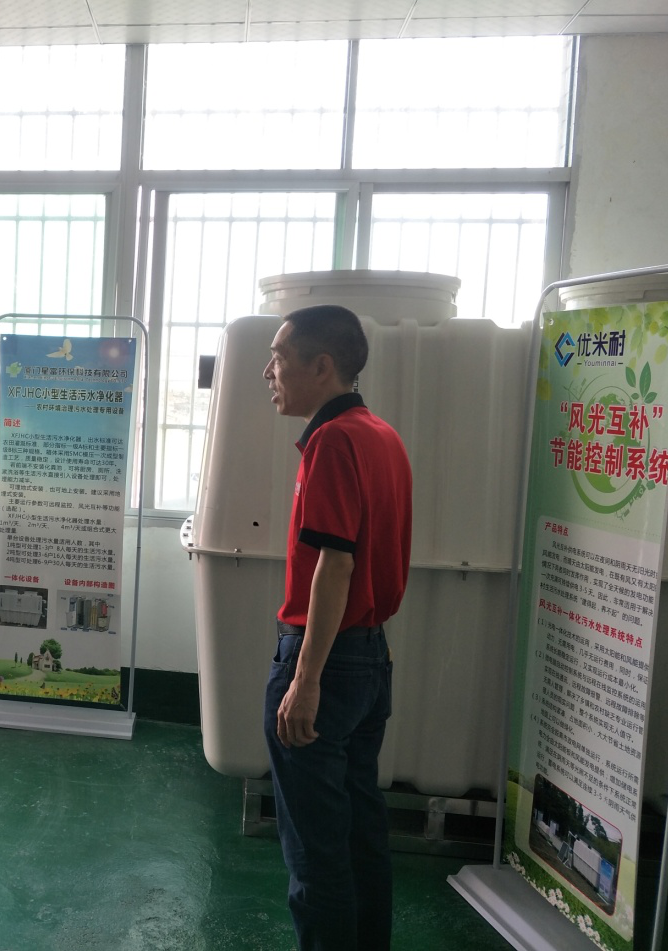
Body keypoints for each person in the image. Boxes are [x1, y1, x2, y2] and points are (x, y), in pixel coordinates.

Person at [261, 304, 412, 950]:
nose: (268, 371)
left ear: (321, 366)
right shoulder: (381, 435)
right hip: (370, 660)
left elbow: (336, 563)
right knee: (358, 837)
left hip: (327, 662)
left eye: (278, 357)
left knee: (315, 854)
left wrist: (305, 680)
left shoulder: (332, 441)